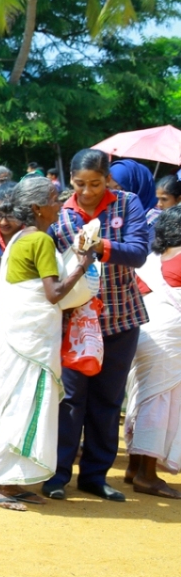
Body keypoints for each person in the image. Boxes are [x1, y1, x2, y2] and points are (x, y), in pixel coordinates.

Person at [0, 178, 95, 509]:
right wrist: (84, 263)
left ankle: (10, 481)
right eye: (56, 199)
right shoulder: (40, 241)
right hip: (28, 342)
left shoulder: (19, 239)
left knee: (22, 408)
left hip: (21, 337)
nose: (61, 205)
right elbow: (54, 294)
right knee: (22, 410)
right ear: (36, 208)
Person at [47, 148, 153, 501]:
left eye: (95, 183)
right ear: (70, 182)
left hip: (121, 318)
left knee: (108, 401)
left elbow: (138, 251)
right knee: (71, 399)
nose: (88, 192)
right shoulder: (61, 213)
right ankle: (58, 474)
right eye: (80, 184)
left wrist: (102, 246)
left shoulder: (128, 203)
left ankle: (95, 475)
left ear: (108, 179)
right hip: (75, 322)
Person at [123, 205, 181, 497]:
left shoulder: (150, 259)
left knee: (144, 398)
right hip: (167, 338)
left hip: (143, 333)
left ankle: (134, 467)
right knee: (158, 403)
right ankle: (146, 475)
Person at [110, 157, 160, 227]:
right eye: (108, 188)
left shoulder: (154, 220)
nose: (113, 194)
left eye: (119, 189)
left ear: (137, 186)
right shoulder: (111, 211)